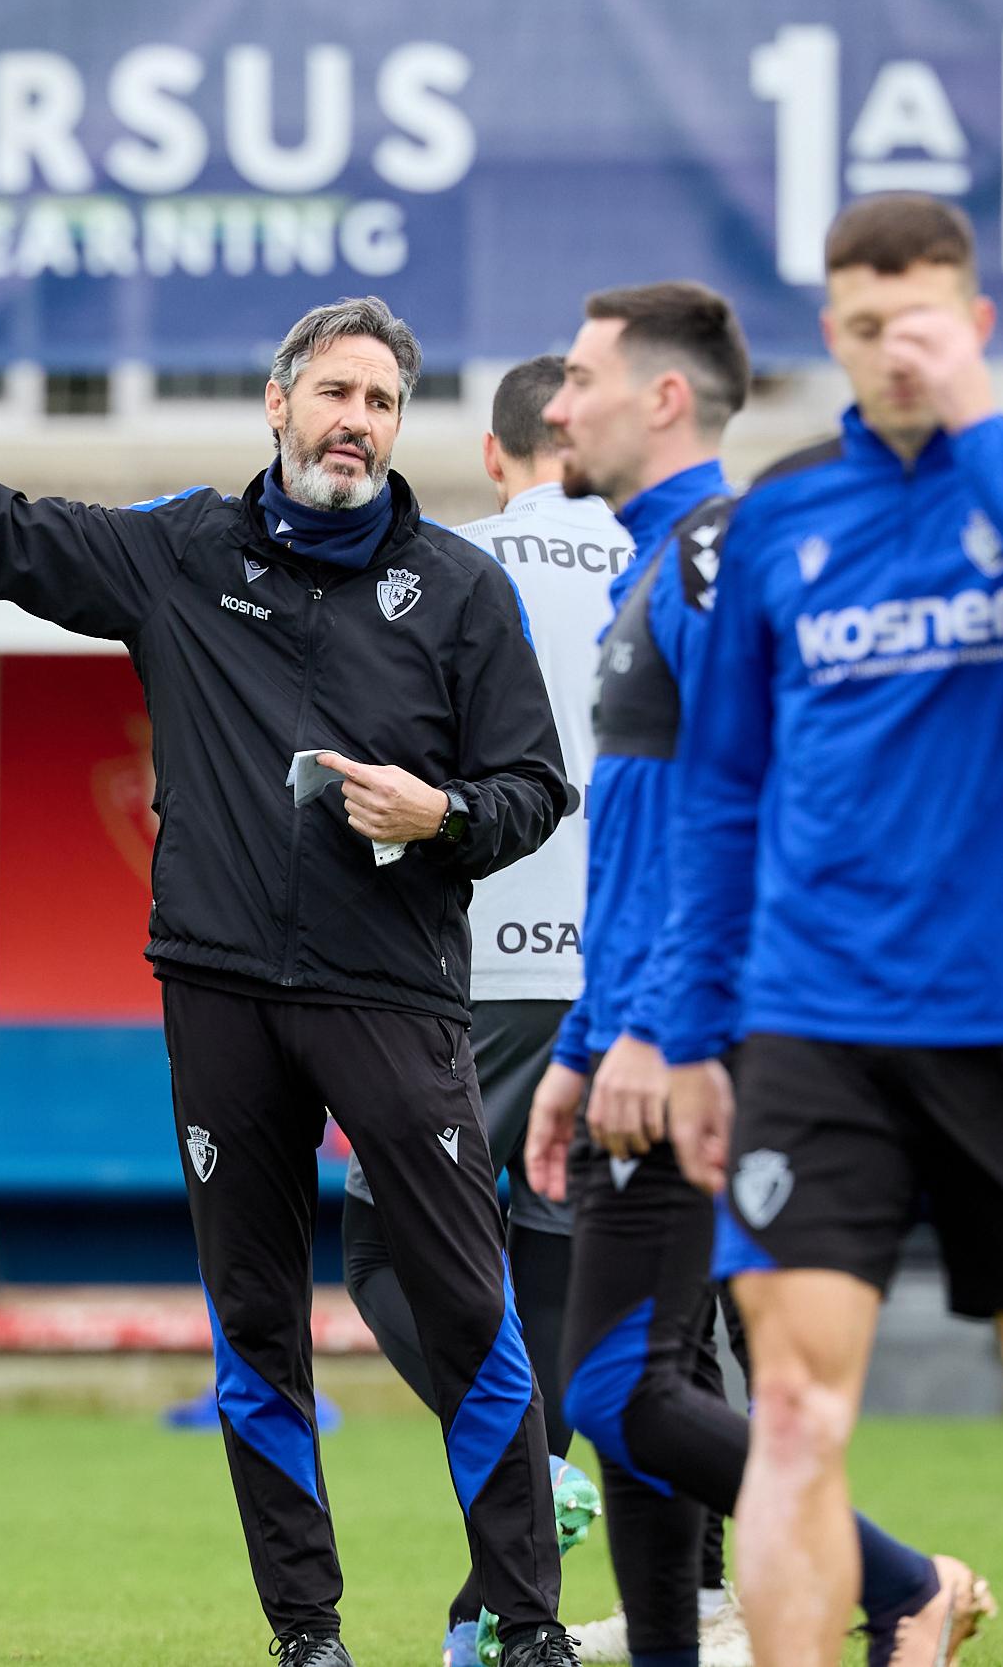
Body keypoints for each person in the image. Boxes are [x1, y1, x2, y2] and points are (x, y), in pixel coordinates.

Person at [0, 289, 578, 1667]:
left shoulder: (460, 587)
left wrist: (443, 816)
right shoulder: (182, 550)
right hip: (219, 992)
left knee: (471, 1309)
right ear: (276, 403)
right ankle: (306, 1636)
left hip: (394, 998)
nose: (357, 423)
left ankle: (528, 1625)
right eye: (335, 393)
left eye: (382, 404)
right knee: (256, 1326)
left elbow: (535, 787)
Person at [649, 194, 1003, 1667]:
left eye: (924, 323)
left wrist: (982, 428)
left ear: (977, 323)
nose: (895, 351)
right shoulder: (778, 515)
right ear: (832, 334)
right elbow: (722, 789)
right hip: (815, 1027)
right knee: (797, 1417)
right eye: (867, 329)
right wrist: (693, 1036)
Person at [529, 281, 986, 1667]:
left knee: (617, 1389)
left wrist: (665, 1029)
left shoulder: (720, 557)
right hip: (632, 1031)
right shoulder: (647, 565)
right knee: (639, 1393)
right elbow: (648, 836)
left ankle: (902, 1582)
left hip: (699, 1041)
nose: (555, 407)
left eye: (581, 379)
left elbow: (752, 814)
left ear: (666, 397)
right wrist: (577, 1041)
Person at [330, 353, 611, 1667]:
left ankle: (528, 1474)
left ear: (498, 452)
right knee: (549, 1239)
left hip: (478, 968)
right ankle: (506, 1590)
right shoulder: (655, 557)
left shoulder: (448, 563)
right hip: (623, 972)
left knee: (386, 1247)